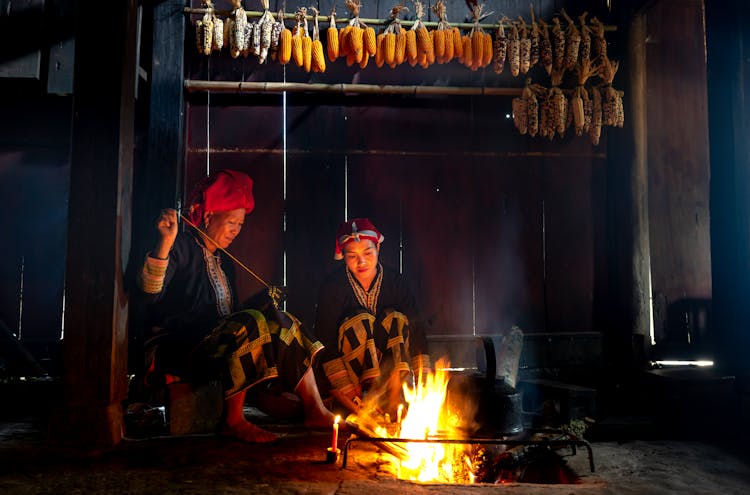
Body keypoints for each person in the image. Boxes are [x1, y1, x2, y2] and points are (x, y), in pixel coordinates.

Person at [136, 169, 332, 442]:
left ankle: (315, 409)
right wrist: (164, 243)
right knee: (250, 322)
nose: (236, 231)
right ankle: (233, 420)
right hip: (180, 349)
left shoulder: (225, 262)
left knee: (282, 320)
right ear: (207, 216)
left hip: (217, 347)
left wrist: (266, 307)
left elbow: (230, 317)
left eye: (240, 224)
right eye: (231, 222)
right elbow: (149, 293)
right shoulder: (179, 245)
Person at [312, 218, 432, 418]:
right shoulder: (333, 288)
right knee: (360, 321)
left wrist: (423, 384)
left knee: (395, 319)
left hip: (388, 373)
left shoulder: (396, 283)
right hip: (350, 380)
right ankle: (359, 403)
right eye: (352, 256)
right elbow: (326, 342)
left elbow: (417, 330)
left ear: (377, 248)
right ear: (343, 256)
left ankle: (394, 398)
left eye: (368, 253)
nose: (362, 262)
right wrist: (345, 388)